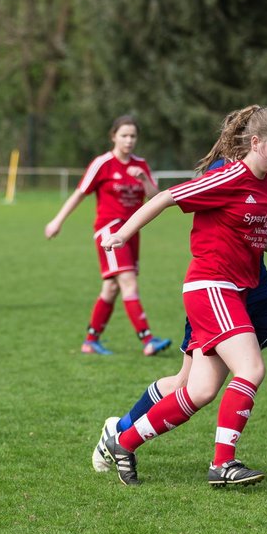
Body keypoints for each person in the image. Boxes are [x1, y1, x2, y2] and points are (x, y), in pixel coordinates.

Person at [92, 155, 267, 480]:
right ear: (254, 140)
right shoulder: (225, 173)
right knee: (190, 385)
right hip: (218, 291)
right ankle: (121, 432)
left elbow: (254, 231)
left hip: (256, 293)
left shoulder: (265, 179)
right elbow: (171, 200)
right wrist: (122, 232)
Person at [43, 116, 172, 356]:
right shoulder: (102, 164)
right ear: (113, 136)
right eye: (124, 135)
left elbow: (156, 198)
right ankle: (148, 340)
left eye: (133, 136)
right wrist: (57, 221)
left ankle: (91, 340)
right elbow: (79, 194)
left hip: (132, 231)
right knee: (128, 282)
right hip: (110, 232)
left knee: (111, 288)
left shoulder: (141, 165)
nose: (129, 140)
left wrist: (143, 179)